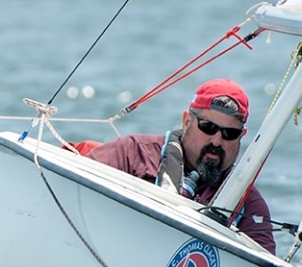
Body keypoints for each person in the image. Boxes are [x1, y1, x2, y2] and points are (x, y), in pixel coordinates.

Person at [75, 79, 276, 254]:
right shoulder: (132, 153)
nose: (216, 141)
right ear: (187, 120)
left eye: (229, 134)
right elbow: (74, 190)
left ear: (242, 136)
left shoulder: (250, 207)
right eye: (208, 127)